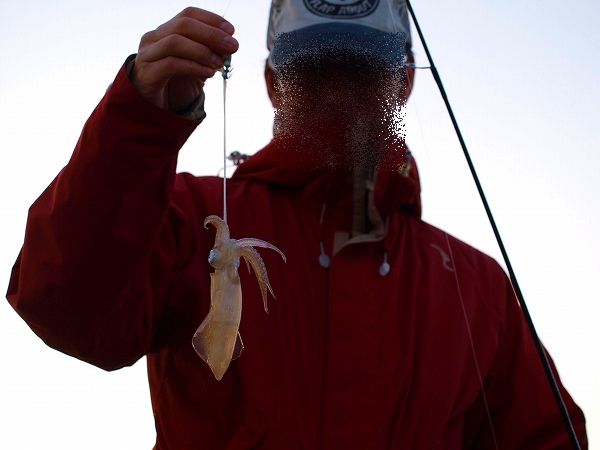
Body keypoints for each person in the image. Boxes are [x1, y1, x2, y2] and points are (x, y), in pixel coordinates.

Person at [6, 1, 588, 449]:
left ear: (404, 82)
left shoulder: (478, 286)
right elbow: (64, 308)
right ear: (273, 83)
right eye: (313, 69)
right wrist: (138, 119)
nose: (336, 91)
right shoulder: (189, 214)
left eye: (362, 70)